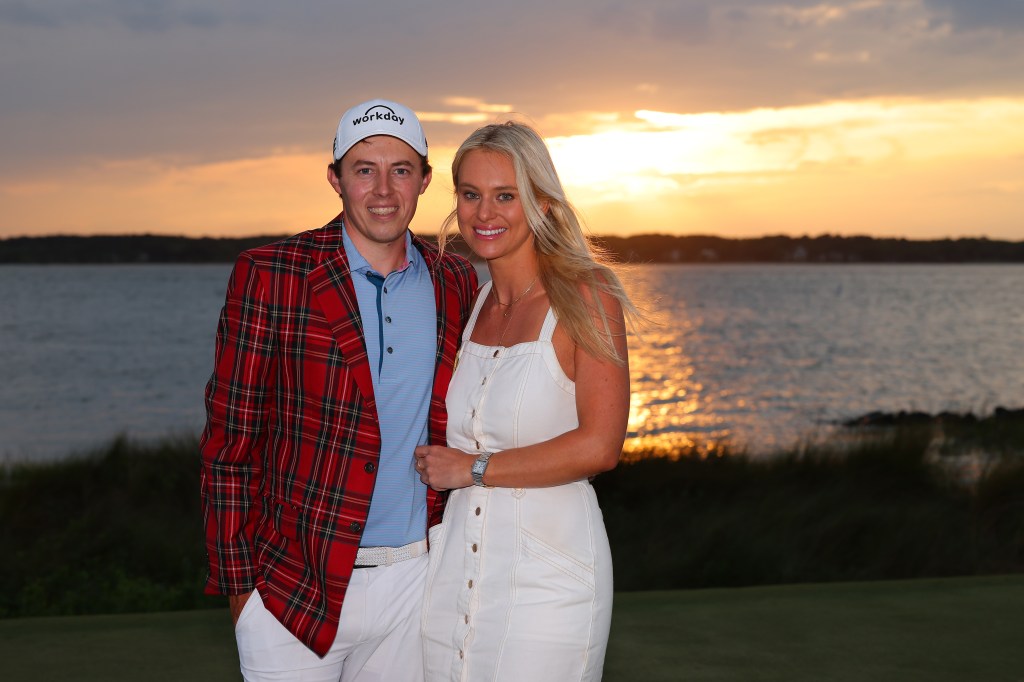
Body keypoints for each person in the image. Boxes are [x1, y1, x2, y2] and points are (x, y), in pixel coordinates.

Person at [200, 98, 478, 681]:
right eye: (363, 169)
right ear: (335, 179)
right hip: (294, 584)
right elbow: (230, 444)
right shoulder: (272, 274)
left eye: (401, 169)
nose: (383, 189)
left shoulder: (455, 280)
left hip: (416, 581)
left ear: (425, 181)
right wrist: (239, 592)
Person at [415, 121, 640, 681]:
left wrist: (473, 468)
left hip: (549, 578)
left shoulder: (588, 294)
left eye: (504, 196)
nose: (484, 213)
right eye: (470, 195)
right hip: (451, 577)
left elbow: (600, 445)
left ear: (540, 201)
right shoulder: (471, 301)